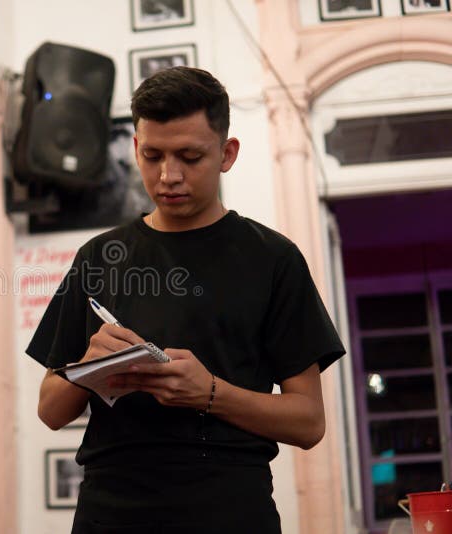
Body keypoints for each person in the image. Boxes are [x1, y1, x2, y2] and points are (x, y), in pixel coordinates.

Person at [26, 67, 345, 533]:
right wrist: (90, 368)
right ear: (135, 148)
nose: (168, 176)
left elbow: (308, 421)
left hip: (230, 509)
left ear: (226, 153)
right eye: (152, 155)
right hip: (110, 510)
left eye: (190, 156)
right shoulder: (99, 257)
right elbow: (51, 411)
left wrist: (211, 393)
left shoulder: (272, 259)